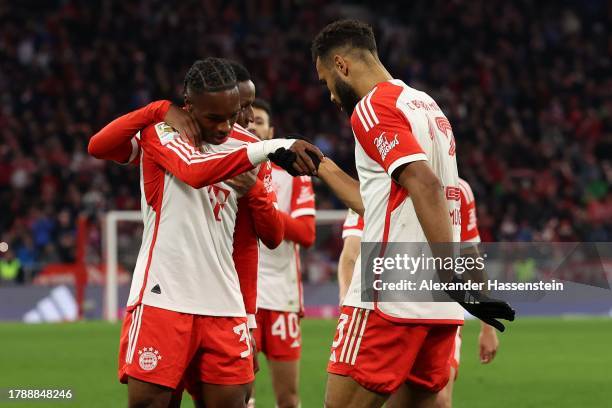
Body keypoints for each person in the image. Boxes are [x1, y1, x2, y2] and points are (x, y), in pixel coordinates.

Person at [88, 57, 322, 408]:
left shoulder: (247, 148)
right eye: (215, 117)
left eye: (234, 114)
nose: (227, 126)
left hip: (224, 308)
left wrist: (248, 319)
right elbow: (191, 170)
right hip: (163, 299)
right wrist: (156, 110)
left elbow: (263, 239)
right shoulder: (165, 131)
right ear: (189, 107)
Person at [305, 20, 513, 407]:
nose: (331, 96)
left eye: (326, 81)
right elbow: (390, 201)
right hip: (437, 307)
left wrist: (451, 273)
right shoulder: (428, 107)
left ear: (342, 65)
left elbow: (426, 185)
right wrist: (324, 167)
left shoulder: (371, 108)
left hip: (389, 297)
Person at [338, 178, 500, 408]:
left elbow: (471, 256)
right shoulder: (376, 184)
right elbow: (352, 252)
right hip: (391, 309)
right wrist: (346, 299)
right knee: (393, 396)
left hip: (440, 309)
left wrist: (488, 326)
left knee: (440, 401)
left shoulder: (460, 190)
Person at [247, 98, 317, 408]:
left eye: (259, 121)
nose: (253, 125)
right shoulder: (224, 168)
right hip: (237, 296)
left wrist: (264, 209)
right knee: (239, 396)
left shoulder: (293, 173)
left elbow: (306, 233)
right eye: (247, 121)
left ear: (271, 130)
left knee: (288, 398)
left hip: (281, 296)